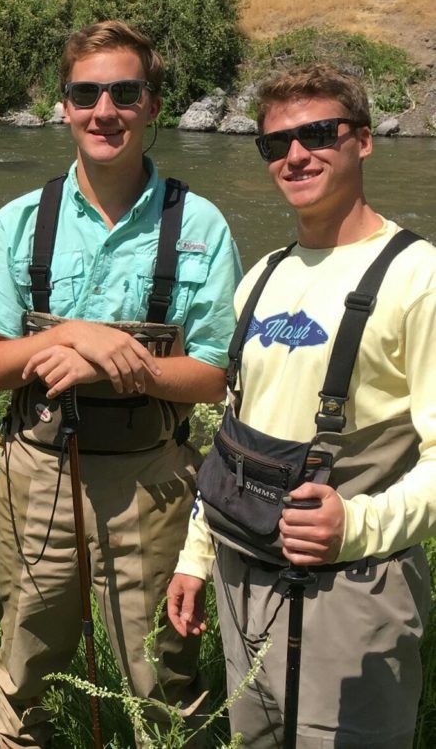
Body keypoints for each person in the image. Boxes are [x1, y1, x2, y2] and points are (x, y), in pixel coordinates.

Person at [0, 20, 242, 747]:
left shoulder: (201, 227)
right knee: (24, 671)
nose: (103, 110)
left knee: (163, 680)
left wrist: (122, 362)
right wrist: (67, 337)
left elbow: (213, 377)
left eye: (124, 91)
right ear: (64, 106)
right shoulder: (19, 224)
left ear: (153, 104)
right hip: (39, 476)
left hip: (152, 482)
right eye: (86, 93)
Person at [167, 64, 435, 747]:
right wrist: (195, 556)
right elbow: (232, 434)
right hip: (240, 573)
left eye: (318, 133)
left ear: (365, 141)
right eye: (275, 143)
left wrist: (359, 524)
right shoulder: (262, 276)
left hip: (357, 586)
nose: (295, 155)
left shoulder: (419, 276)